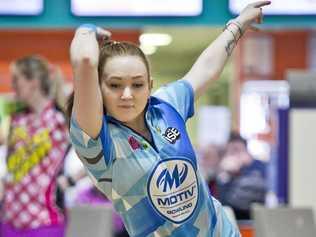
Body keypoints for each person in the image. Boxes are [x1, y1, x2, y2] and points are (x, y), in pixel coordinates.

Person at [67, 1, 271, 236]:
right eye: (114, 85)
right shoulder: (96, 141)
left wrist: (238, 24)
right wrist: (87, 30)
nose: (127, 94)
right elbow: (84, 60)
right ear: (98, 90)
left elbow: (205, 68)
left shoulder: (165, 105)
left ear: (150, 86)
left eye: (137, 84)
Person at [0, 56, 69, 237]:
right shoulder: (17, 120)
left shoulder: (59, 121)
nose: (12, 85)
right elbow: (10, 169)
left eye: (16, 79)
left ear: (34, 82)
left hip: (43, 221)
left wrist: (70, 180)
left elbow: (93, 151)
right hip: (9, 220)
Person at [216, 132, 267, 220]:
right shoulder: (225, 173)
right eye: (230, 151)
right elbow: (223, 203)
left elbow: (240, 202)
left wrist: (243, 170)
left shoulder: (259, 167)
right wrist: (226, 176)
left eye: (237, 150)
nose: (234, 155)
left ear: (246, 151)